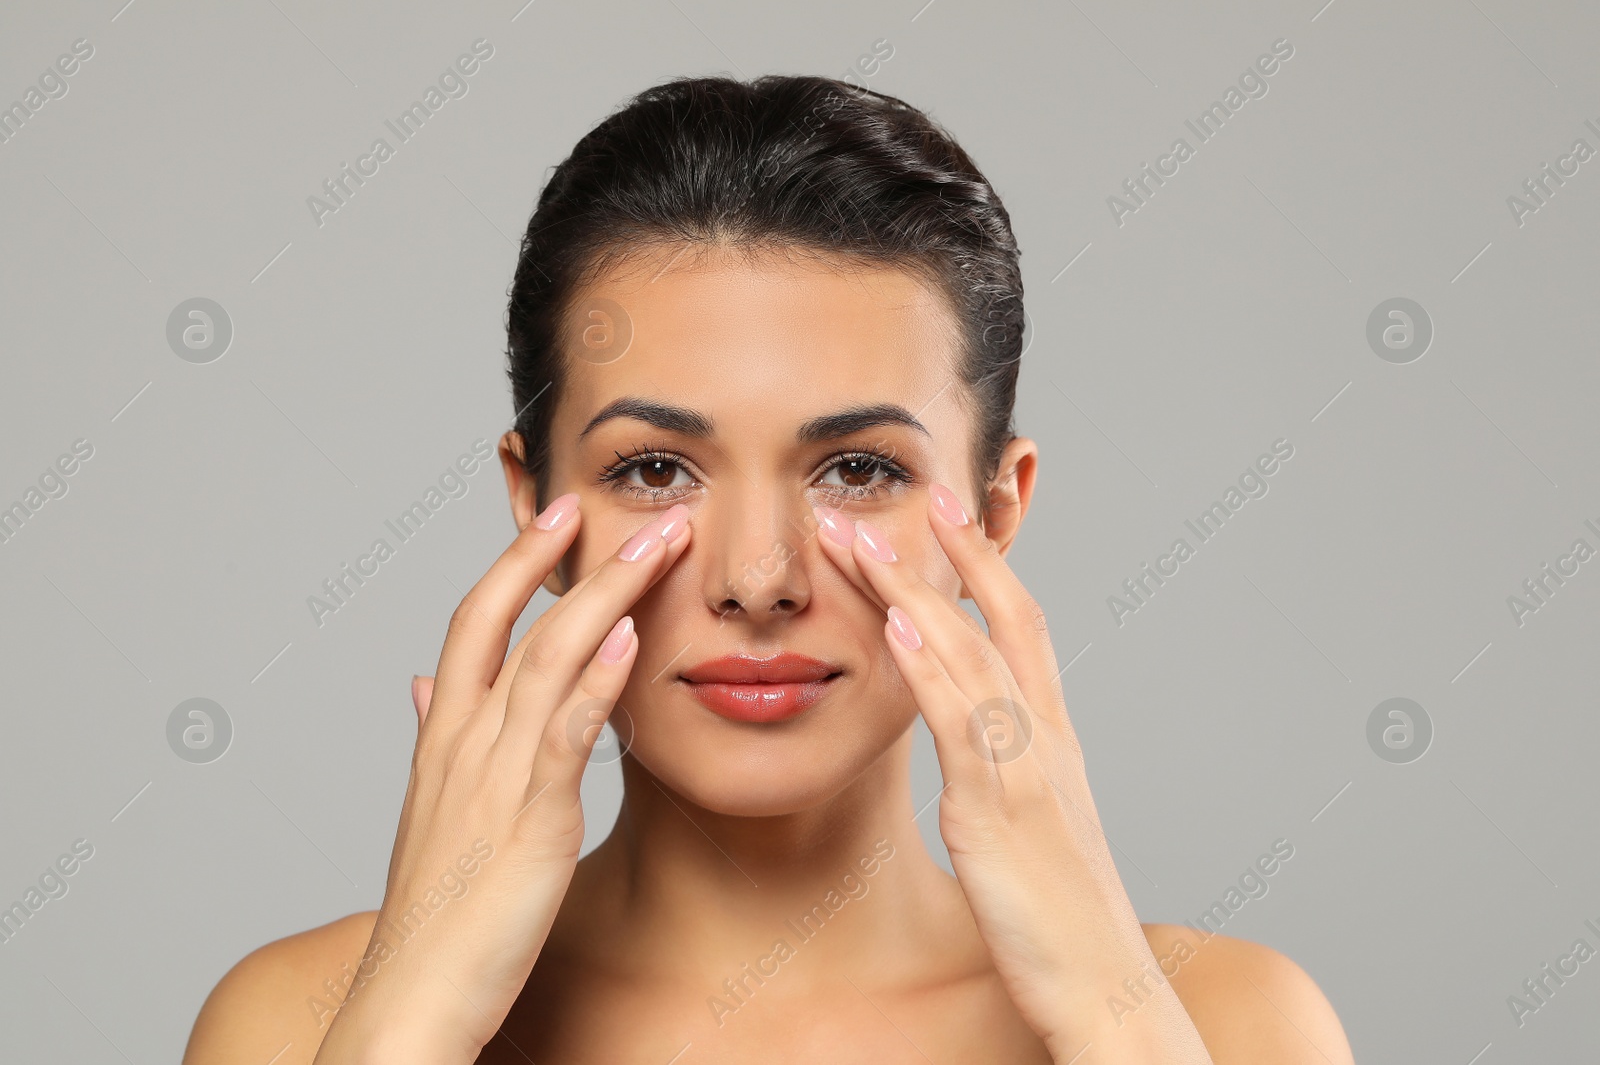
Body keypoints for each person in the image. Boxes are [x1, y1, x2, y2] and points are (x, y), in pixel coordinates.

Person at [183, 74, 1354, 1064]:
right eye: (652, 468)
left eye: (855, 467)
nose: (758, 576)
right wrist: (410, 1009)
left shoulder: (1228, 1023)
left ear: (996, 509)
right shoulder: (301, 1020)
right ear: (536, 505)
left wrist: (1113, 1003)